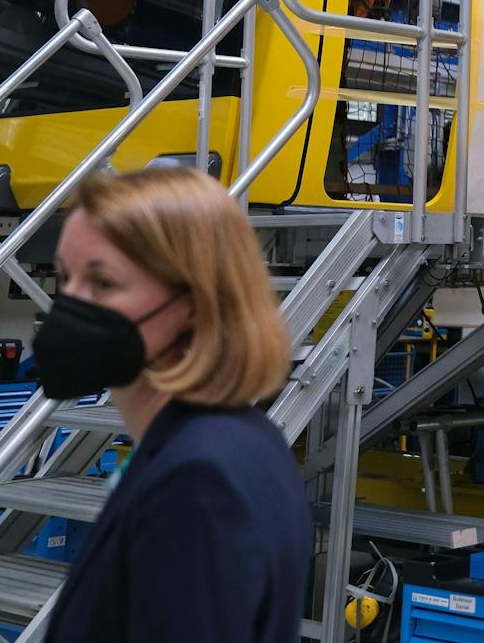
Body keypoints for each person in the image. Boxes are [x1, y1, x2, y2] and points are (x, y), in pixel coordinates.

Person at [37, 165, 310, 643]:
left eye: (103, 284)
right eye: (64, 278)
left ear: (196, 303)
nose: (70, 305)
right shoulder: (233, 439)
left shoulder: (198, 482)